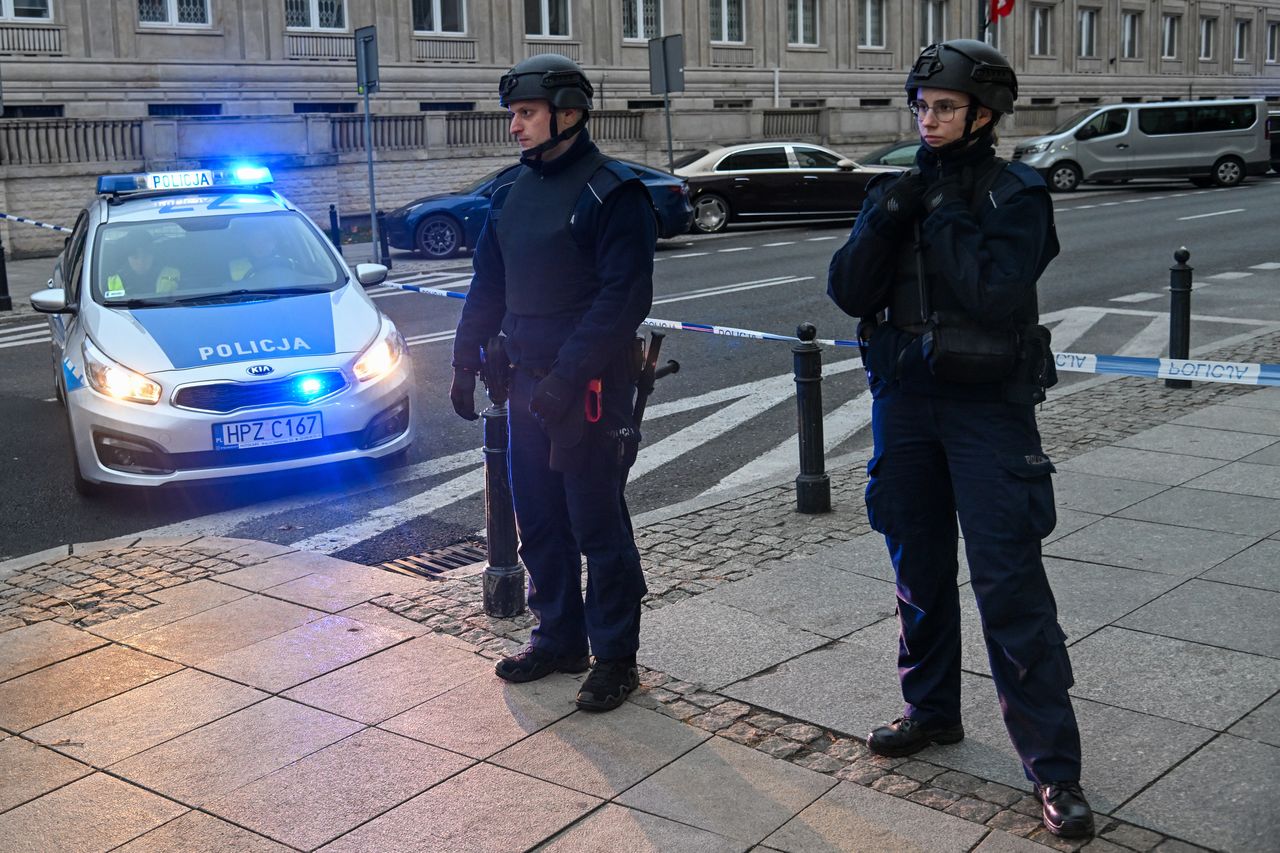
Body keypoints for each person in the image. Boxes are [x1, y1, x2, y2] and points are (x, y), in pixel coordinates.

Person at [827, 40, 1093, 839]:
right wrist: (887, 216)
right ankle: (931, 708)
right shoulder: (896, 189)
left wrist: (939, 214)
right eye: (921, 106)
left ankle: (1054, 770)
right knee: (916, 564)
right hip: (905, 399)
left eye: (943, 107)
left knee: (1009, 581)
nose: (928, 119)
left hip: (987, 408)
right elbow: (847, 290)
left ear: (983, 114)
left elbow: (993, 290)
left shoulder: (1018, 193)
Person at [449, 54, 656, 712]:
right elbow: (488, 284)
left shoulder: (612, 192)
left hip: (587, 389)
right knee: (536, 518)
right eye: (513, 114)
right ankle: (559, 634)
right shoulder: (509, 194)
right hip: (524, 384)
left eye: (526, 113)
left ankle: (615, 656)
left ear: (568, 113)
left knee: (596, 522)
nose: (515, 126)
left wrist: (568, 377)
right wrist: (462, 359)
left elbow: (623, 300)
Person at [104, 232, 180, 297]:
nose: (141, 262)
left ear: (153, 255)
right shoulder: (112, 281)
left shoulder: (173, 274)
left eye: (146, 256)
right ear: (127, 258)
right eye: (135, 257)